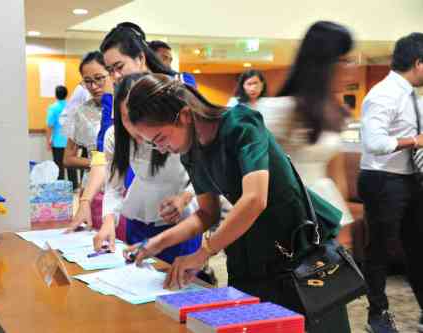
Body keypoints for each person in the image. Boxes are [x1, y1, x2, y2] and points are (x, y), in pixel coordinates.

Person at [122, 72, 351, 332]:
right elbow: (206, 213)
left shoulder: (241, 123)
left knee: (312, 324)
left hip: (296, 242)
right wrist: (156, 243)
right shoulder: (191, 151)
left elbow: (255, 199)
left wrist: (203, 252)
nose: (161, 149)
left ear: (185, 115)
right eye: (154, 144)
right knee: (254, 323)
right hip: (249, 247)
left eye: (161, 138)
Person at [93, 22, 202, 265]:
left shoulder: (179, 99)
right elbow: (111, 173)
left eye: (118, 67)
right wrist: (104, 216)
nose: (115, 76)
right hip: (139, 210)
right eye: (109, 70)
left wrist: (185, 197)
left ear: (141, 58)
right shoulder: (116, 115)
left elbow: (205, 167)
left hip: (179, 219)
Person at [256, 21, 354, 227]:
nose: (350, 69)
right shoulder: (276, 109)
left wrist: (343, 224)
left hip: (327, 209)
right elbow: (255, 172)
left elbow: (336, 173)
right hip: (287, 213)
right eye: (343, 60)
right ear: (323, 64)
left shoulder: (333, 111)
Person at [358, 32, 423, 333]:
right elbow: (374, 142)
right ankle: (377, 315)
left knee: (417, 246)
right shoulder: (383, 93)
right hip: (382, 179)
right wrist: (415, 140)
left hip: (410, 179)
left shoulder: (412, 96)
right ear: (419, 63)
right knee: (380, 251)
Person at [63, 51, 123, 237]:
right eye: (87, 81)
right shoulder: (82, 112)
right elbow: (68, 158)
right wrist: (100, 163)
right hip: (94, 190)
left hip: (123, 189)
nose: (94, 86)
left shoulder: (126, 106)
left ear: (112, 73)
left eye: (99, 78)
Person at [45, 85, 77, 187]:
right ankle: (74, 186)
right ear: (66, 94)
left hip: (57, 142)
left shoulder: (53, 108)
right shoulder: (72, 107)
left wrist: (48, 141)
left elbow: (50, 126)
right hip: (70, 141)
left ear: (56, 95)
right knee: (71, 164)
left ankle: (61, 188)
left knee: (58, 165)